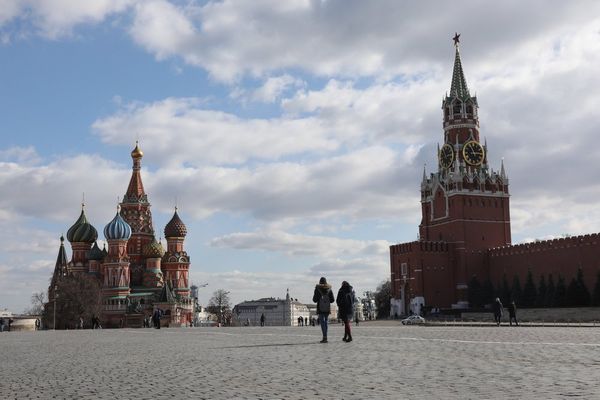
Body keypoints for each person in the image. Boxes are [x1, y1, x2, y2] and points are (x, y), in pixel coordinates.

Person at [313, 277, 334, 343]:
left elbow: (314, 300)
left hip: (320, 308)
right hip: (327, 308)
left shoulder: (317, 288)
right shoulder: (329, 289)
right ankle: (326, 336)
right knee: (326, 322)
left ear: (320, 282)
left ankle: (324, 337)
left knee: (322, 322)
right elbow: (332, 300)